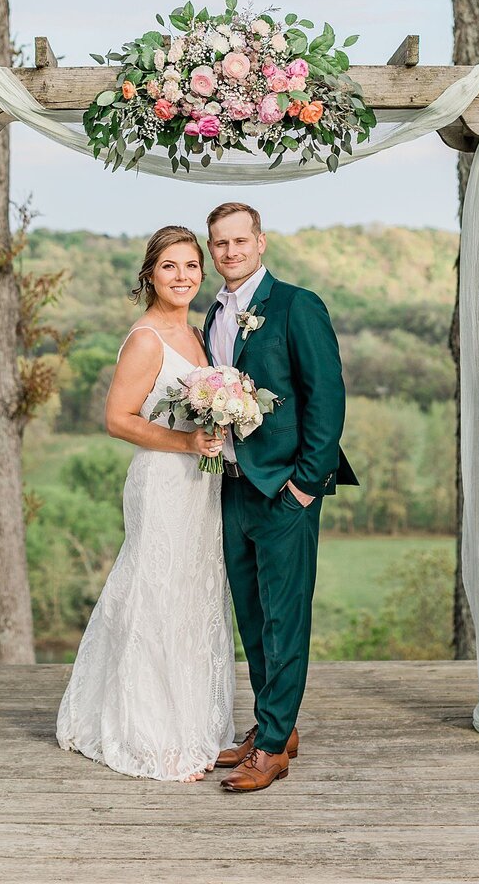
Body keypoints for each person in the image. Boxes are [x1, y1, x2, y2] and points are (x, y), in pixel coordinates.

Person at [56, 226, 235, 783]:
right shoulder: (146, 339)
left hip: (200, 484)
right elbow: (117, 419)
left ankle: (194, 722)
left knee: (195, 592)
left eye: (190, 266)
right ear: (149, 275)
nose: (181, 276)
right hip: (162, 480)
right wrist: (186, 442)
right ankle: (152, 732)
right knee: (156, 590)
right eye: (169, 267)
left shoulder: (197, 335)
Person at [203, 201, 359, 793]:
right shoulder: (215, 315)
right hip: (233, 486)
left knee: (285, 618)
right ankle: (274, 725)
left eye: (241, 240)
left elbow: (327, 398)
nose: (231, 251)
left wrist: (304, 485)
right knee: (252, 614)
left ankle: (272, 749)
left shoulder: (298, 305)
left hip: (285, 491)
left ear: (261, 242)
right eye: (220, 243)